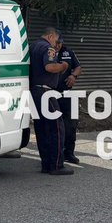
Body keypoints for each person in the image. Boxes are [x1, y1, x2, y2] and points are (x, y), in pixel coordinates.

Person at [29, 27, 72, 175]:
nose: (56, 44)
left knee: (42, 129)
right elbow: (50, 66)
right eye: (56, 40)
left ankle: (46, 164)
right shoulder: (48, 48)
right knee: (57, 128)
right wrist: (63, 66)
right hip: (45, 92)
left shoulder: (32, 46)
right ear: (51, 36)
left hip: (34, 92)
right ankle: (56, 165)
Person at [55, 35, 82, 165]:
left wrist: (73, 75)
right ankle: (55, 154)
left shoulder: (68, 52)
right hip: (51, 94)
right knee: (54, 126)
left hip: (66, 94)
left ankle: (69, 153)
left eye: (60, 43)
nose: (58, 45)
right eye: (56, 42)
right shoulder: (48, 52)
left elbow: (78, 67)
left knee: (71, 125)